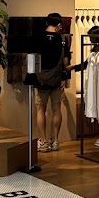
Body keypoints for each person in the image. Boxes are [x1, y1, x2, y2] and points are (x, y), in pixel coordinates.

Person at [34, 13, 70, 152]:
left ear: (47, 23)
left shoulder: (38, 37)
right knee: (56, 110)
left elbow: (34, 59)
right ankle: (55, 141)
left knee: (40, 109)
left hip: (41, 79)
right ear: (59, 24)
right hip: (56, 79)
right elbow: (65, 62)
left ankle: (43, 142)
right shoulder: (62, 39)